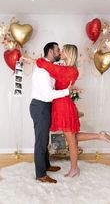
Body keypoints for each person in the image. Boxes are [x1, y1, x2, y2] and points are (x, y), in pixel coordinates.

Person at [22, 44, 110, 178]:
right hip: (58, 104)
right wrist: (33, 61)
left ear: (69, 54)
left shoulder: (70, 70)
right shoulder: (63, 67)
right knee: (71, 137)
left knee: (71, 140)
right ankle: (100, 135)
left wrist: (32, 60)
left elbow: (47, 65)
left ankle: (74, 168)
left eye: (63, 50)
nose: (60, 52)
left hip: (63, 106)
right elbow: (48, 66)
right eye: (59, 50)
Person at [24, 42, 72, 183]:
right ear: (51, 51)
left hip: (43, 106)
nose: (59, 52)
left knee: (44, 139)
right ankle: (40, 174)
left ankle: (46, 165)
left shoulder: (47, 67)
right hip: (40, 106)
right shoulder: (43, 70)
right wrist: (67, 92)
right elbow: (48, 94)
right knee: (41, 141)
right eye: (58, 50)